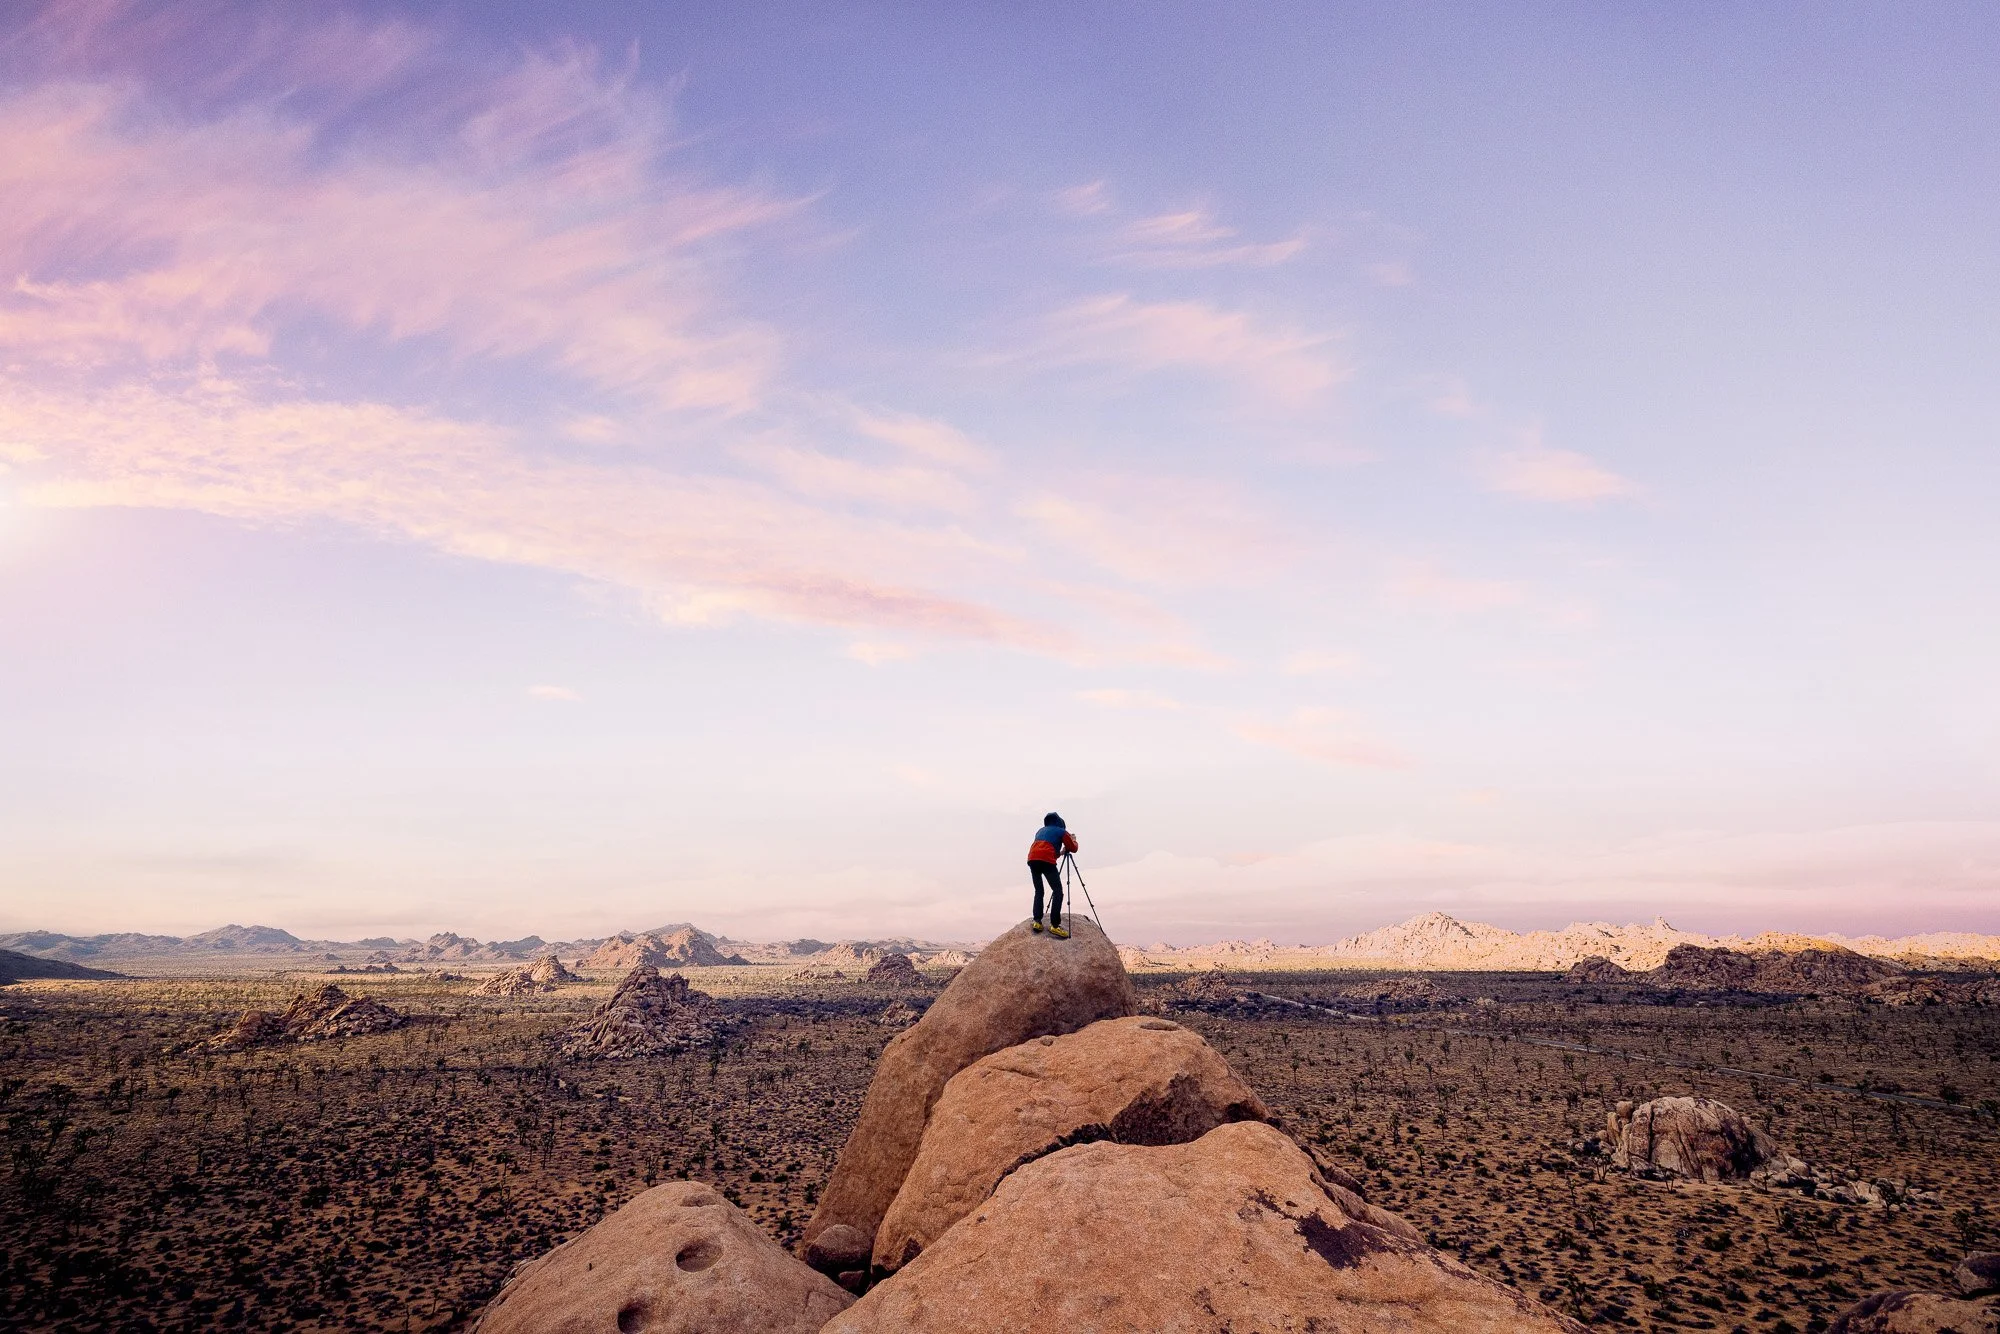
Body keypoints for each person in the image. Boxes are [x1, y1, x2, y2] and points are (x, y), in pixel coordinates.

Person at [1027, 812, 1078, 938]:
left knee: (1039, 891)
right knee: (1058, 891)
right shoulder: (1061, 831)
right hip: (1046, 861)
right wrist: (1073, 840)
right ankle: (1055, 925)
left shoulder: (1040, 831)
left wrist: (1060, 853)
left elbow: (1048, 851)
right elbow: (1073, 848)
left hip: (1032, 859)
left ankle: (1037, 921)